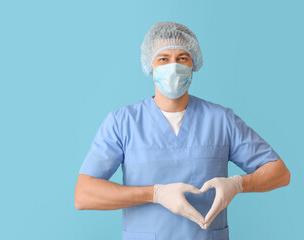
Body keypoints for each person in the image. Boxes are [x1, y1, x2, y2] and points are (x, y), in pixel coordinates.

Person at [74, 21, 290, 240]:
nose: (173, 67)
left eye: (182, 58)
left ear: (193, 64)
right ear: (150, 65)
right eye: (163, 59)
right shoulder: (122, 123)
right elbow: (84, 194)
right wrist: (154, 194)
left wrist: (238, 184)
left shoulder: (221, 120)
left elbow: (279, 173)